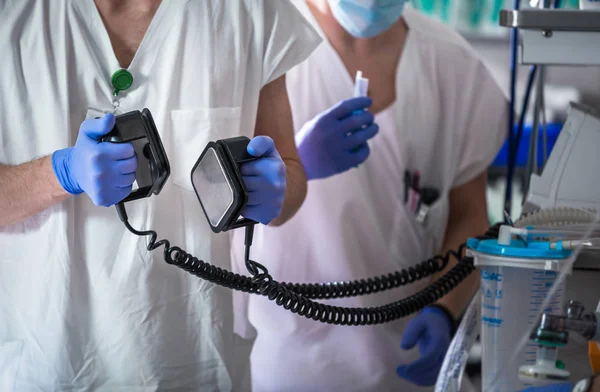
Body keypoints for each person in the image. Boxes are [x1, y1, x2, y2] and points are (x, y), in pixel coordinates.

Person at [0, 0, 321, 390]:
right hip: (51, 365)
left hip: (197, 360)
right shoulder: (12, 16)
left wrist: (275, 191)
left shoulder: (253, 11)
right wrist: (60, 172)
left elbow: (290, 173)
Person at [231, 0, 508, 390]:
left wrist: (445, 308)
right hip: (291, 361)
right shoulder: (267, 41)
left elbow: (470, 216)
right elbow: (214, 199)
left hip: (409, 361)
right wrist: (297, 167)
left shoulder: (452, 65)